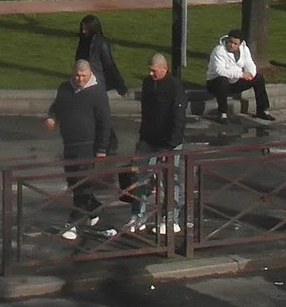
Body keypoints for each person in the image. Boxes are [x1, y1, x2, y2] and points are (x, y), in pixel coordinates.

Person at [44, 59, 113, 241]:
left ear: (89, 74)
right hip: (69, 145)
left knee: (81, 185)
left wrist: (101, 149)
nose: (80, 79)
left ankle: (72, 224)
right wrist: (52, 117)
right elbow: (56, 107)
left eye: (83, 75)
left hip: (88, 147)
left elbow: (105, 123)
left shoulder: (97, 93)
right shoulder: (64, 89)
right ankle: (95, 208)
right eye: (77, 75)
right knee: (74, 183)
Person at [125, 53, 187, 235]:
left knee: (170, 180)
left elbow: (178, 117)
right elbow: (146, 113)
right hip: (149, 139)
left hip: (168, 142)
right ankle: (138, 216)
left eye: (154, 71)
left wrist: (172, 142)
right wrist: (142, 137)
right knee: (140, 178)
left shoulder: (175, 86)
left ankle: (171, 218)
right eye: (150, 71)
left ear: (164, 69)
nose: (151, 74)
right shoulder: (148, 83)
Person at [204, 30, 273, 121]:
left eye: (235, 43)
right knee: (222, 80)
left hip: (234, 82)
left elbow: (249, 63)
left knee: (258, 78)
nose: (231, 45)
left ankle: (262, 110)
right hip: (215, 83)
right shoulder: (219, 50)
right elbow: (219, 71)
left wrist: (251, 74)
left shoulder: (244, 49)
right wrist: (241, 75)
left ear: (240, 44)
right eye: (230, 42)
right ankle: (222, 113)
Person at [74, 14, 129, 98]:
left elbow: (109, 66)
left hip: (96, 84)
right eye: (83, 29)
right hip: (83, 83)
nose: (84, 31)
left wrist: (121, 87)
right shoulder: (83, 42)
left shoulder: (101, 44)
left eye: (86, 29)